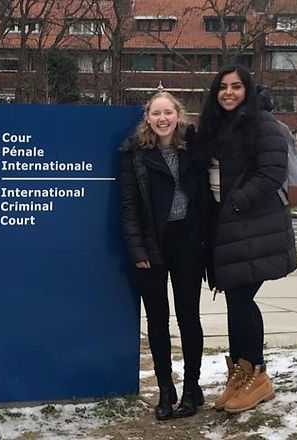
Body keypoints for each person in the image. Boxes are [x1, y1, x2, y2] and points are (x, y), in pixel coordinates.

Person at [196, 66, 297, 414]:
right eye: (222, 87)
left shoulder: (262, 123)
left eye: (236, 87)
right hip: (228, 230)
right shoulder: (215, 126)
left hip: (252, 226)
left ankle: (257, 374)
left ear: (247, 90)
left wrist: (236, 203)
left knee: (241, 300)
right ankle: (241, 371)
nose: (228, 92)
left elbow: (272, 173)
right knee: (235, 302)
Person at [119, 92, 207, 420]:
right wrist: (138, 250)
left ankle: (191, 389)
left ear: (178, 115)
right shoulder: (134, 153)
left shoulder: (192, 149)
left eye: (168, 112)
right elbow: (129, 208)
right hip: (152, 245)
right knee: (157, 321)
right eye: (156, 113)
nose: (162, 118)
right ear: (148, 118)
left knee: (189, 318)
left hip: (188, 242)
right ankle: (165, 390)